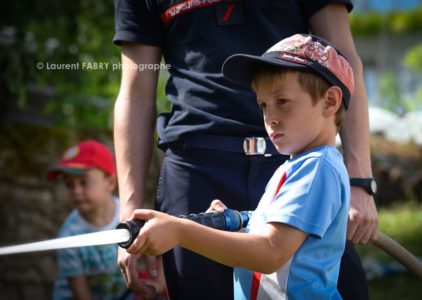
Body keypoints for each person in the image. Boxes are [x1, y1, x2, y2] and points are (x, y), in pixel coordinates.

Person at [113, 1, 378, 299]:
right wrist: (236, 220)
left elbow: (269, 252)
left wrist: (179, 231)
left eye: (282, 102)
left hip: (285, 155)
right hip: (196, 165)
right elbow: (135, 90)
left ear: (330, 102)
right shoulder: (295, 171)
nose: (269, 117)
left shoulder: (314, 171)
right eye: (262, 105)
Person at [49, 140, 132, 300]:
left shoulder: (127, 215)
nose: (76, 191)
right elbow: (80, 292)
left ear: (110, 182)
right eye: (69, 184)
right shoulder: (69, 235)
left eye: (84, 182)